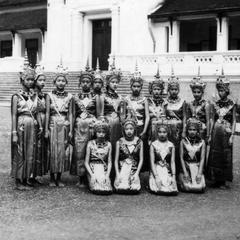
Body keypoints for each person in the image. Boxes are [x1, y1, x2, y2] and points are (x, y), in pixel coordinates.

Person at [11, 54, 38, 190]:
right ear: (22, 80)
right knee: (20, 152)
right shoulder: (17, 96)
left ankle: (27, 177)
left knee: (30, 151)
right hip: (21, 125)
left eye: (32, 80)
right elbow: (14, 115)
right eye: (27, 79)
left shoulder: (34, 96)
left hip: (32, 125)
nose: (30, 82)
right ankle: (18, 180)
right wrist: (14, 132)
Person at [45, 62, 73, 187]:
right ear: (54, 82)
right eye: (59, 80)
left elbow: (71, 114)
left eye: (63, 80)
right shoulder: (49, 96)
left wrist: (71, 129)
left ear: (66, 82)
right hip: (52, 123)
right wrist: (46, 128)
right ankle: (51, 177)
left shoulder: (70, 96)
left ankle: (59, 176)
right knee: (52, 150)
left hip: (64, 124)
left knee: (62, 150)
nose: (61, 82)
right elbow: (46, 113)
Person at [208, 70, 236, 189]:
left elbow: (234, 120)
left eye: (223, 90)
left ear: (227, 90)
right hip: (216, 131)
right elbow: (211, 118)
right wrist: (209, 134)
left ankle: (223, 180)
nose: (221, 93)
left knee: (225, 154)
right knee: (215, 154)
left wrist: (232, 135)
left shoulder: (232, 103)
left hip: (227, 131)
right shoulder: (215, 102)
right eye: (219, 90)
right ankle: (215, 178)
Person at [70, 61, 97, 188]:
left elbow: (98, 113)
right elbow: (72, 114)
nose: (85, 84)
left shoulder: (96, 97)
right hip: (79, 128)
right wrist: (70, 129)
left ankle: (89, 176)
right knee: (79, 151)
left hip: (91, 127)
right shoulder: (75, 97)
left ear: (91, 84)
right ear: (80, 83)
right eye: (83, 82)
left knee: (91, 151)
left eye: (88, 82)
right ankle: (80, 177)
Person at [114, 116, 143, 194]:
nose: (129, 131)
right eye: (127, 129)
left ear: (134, 129)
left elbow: (141, 159)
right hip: (123, 168)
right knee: (120, 186)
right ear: (124, 130)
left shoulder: (139, 142)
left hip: (134, 169)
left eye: (131, 129)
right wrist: (117, 174)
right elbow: (116, 160)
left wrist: (137, 173)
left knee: (135, 188)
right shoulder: (119, 142)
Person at [165, 68, 186, 174]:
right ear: (168, 90)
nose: (174, 91)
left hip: (178, 130)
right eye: (172, 89)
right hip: (167, 130)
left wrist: (183, 131)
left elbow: (185, 117)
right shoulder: (165, 102)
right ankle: (167, 170)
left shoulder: (183, 102)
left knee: (177, 151)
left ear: (178, 90)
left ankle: (177, 172)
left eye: (176, 89)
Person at [149, 119, 178, 195]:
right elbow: (152, 162)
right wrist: (156, 176)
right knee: (158, 187)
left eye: (164, 132)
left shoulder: (171, 145)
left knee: (171, 188)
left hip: (167, 169)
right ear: (157, 133)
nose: (162, 134)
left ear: (168, 133)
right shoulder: (153, 145)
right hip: (157, 169)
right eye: (160, 132)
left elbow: (172, 162)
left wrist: (174, 177)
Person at [85, 118, 112, 194]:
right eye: (99, 132)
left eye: (103, 132)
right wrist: (92, 175)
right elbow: (86, 162)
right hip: (93, 168)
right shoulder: (90, 143)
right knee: (96, 187)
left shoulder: (109, 144)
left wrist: (107, 175)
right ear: (95, 133)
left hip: (103, 168)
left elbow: (109, 162)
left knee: (107, 188)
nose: (101, 134)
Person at [179, 118, 206, 193]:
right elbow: (181, 158)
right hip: (186, 166)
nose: (192, 132)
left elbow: (202, 158)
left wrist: (199, 173)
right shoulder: (183, 141)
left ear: (197, 131)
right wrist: (185, 172)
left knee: (199, 187)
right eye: (190, 129)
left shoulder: (202, 142)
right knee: (187, 187)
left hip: (196, 166)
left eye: (194, 130)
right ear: (187, 130)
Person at [103, 57, 123, 156]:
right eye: (113, 82)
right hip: (106, 123)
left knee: (116, 144)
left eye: (116, 82)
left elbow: (122, 112)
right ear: (108, 83)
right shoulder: (102, 96)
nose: (115, 84)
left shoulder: (120, 97)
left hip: (117, 124)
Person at [187, 67, 211, 142]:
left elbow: (208, 120)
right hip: (191, 131)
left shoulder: (206, 104)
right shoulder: (190, 104)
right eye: (194, 92)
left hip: (202, 131)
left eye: (198, 92)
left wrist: (208, 134)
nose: (196, 94)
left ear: (202, 92)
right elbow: (188, 118)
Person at [34, 61, 48, 183]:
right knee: (34, 147)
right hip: (35, 122)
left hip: (44, 121)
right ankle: (31, 173)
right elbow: (36, 110)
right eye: (40, 80)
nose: (42, 82)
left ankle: (37, 173)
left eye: (44, 80)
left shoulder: (43, 94)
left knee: (40, 148)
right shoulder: (33, 94)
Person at [148, 66, 166, 143]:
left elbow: (164, 114)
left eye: (158, 89)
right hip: (151, 126)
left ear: (161, 91)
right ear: (151, 90)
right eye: (155, 89)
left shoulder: (164, 102)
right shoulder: (148, 101)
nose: (156, 91)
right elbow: (147, 115)